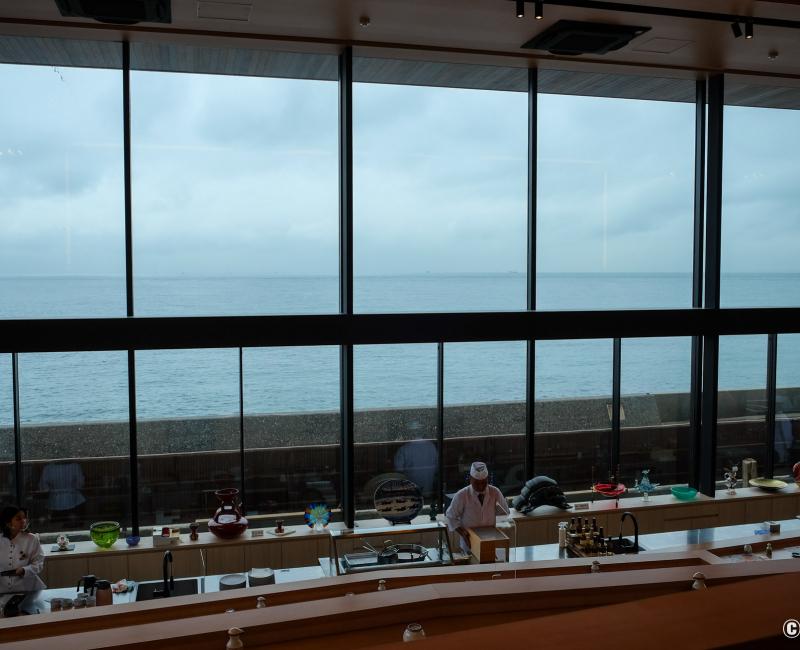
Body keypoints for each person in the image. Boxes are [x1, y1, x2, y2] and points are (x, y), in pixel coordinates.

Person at [445, 461, 509, 554]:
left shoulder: (495, 492)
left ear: (488, 479)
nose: (481, 486)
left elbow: (504, 513)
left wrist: (499, 533)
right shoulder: (462, 495)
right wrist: (463, 533)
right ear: (470, 479)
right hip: (469, 543)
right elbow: (451, 516)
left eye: (484, 482)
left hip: (490, 541)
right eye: (477, 483)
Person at [0, 505, 46, 593]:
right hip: (3, 590)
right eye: (18, 519)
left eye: (24, 518)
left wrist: (25, 570)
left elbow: (39, 563)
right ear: (8, 523)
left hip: (28, 588)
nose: (23, 521)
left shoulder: (32, 539)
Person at [39, 461, 86, 529]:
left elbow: (43, 488)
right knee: (75, 529)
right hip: (74, 501)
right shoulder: (75, 466)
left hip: (54, 504)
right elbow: (80, 485)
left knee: (56, 530)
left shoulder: (48, 468)